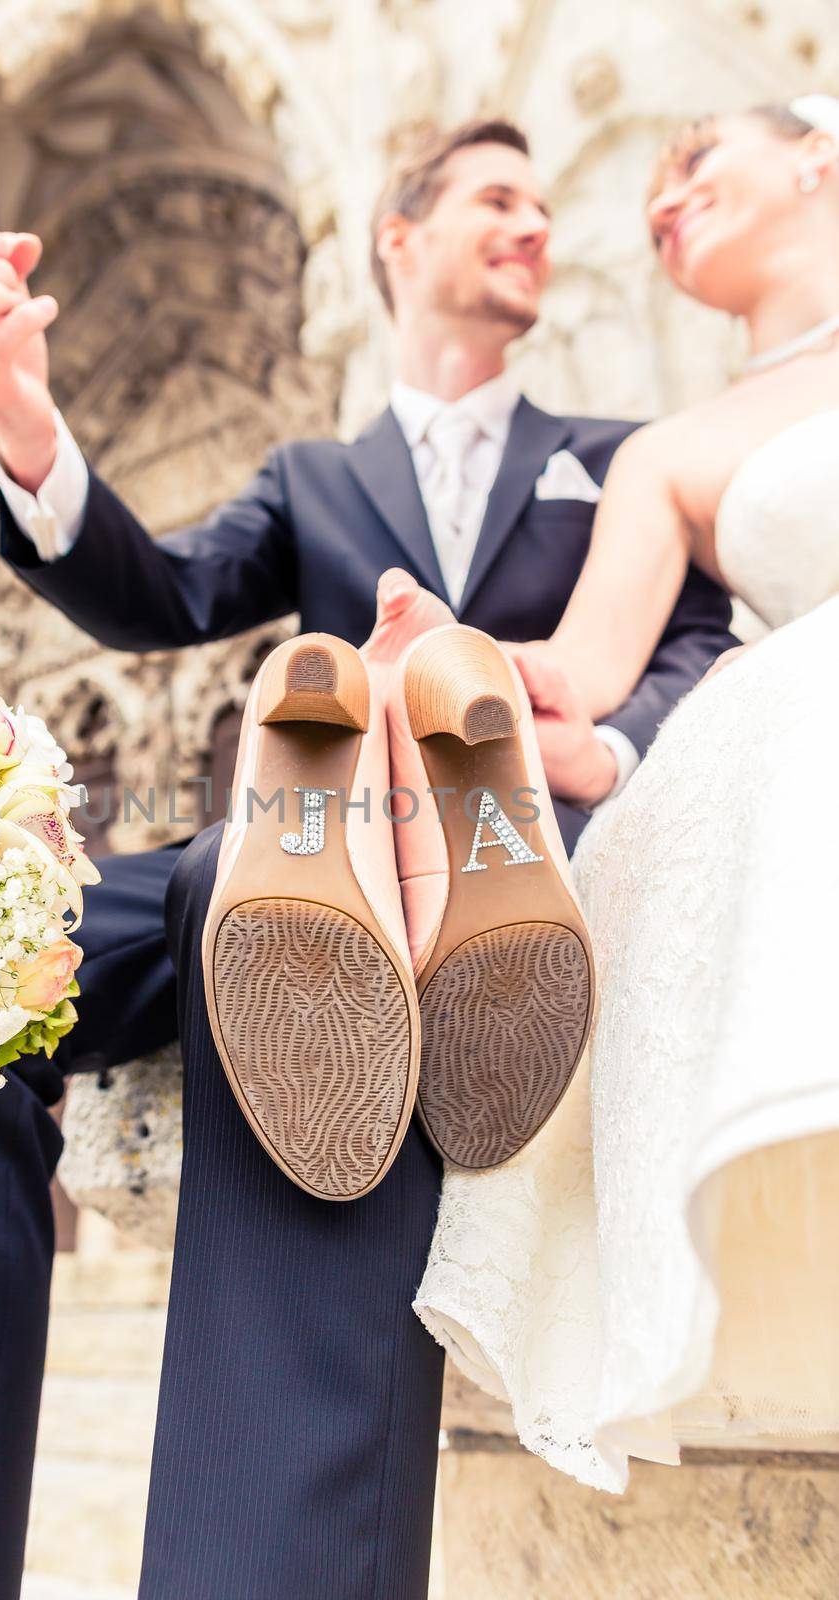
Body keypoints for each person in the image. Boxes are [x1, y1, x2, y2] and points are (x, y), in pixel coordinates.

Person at [0, 119, 734, 1597]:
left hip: (484, 853)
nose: (536, 223)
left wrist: (573, 732)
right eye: (498, 198)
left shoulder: (613, 465)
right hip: (295, 813)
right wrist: (24, 423)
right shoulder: (317, 479)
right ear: (396, 237)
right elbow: (164, 592)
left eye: (547, 203)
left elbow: (690, 655)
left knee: (273, 898)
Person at [415, 96, 839, 1495]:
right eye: (651, 206)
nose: (664, 207)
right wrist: (459, 660)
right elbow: (578, 681)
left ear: (818, 157)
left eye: (697, 162)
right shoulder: (670, 453)